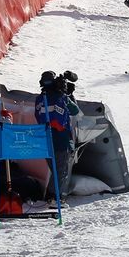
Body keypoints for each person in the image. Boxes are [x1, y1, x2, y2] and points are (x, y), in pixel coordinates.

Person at [34, 71, 80, 207]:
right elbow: (75, 111)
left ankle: (49, 196)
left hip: (45, 139)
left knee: (55, 170)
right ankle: (55, 198)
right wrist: (69, 95)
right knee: (60, 170)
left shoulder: (39, 99)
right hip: (60, 139)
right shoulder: (61, 97)